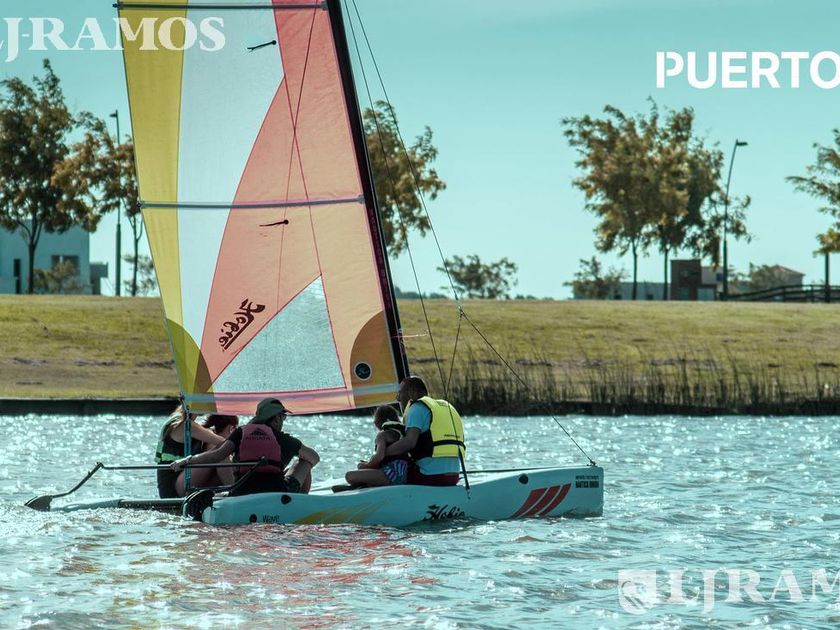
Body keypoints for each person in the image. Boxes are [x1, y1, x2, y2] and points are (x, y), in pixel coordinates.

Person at [171, 398, 319, 496]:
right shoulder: (284, 439)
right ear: (276, 418)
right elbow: (314, 457)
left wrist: (187, 460)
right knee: (304, 461)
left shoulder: (241, 432)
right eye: (283, 416)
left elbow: (216, 455)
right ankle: (298, 502)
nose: (283, 420)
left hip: (243, 492)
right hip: (277, 491)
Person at [385, 376, 466, 487]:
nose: (398, 399)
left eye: (400, 393)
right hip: (454, 476)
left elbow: (409, 442)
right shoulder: (445, 407)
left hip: (430, 476)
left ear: (411, 392)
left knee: (391, 471)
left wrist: (383, 454)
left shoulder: (417, 408)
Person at [154, 404, 229, 498]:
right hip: (173, 486)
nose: (209, 403)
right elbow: (225, 443)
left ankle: (230, 490)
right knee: (221, 450)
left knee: (213, 450)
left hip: (176, 480)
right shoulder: (185, 425)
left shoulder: (177, 419)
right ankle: (236, 492)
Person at [345, 406, 408, 488]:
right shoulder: (401, 434)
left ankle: (362, 485)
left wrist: (367, 465)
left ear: (378, 421)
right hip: (403, 476)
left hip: (391, 476)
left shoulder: (382, 435)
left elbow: (379, 456)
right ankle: (365, 484)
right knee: (361, 467)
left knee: (349, 475)